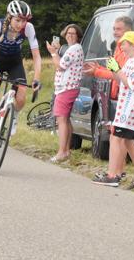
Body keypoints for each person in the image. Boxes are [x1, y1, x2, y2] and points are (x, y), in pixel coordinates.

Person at [83, 16, 134, 183]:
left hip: (130, 106)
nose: (115, 34)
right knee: (127, 140)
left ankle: (113, 175)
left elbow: (129, 82)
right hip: (125, 103)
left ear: (131, 39)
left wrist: (115, 69)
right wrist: (100, 70)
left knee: (116, 136)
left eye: (118, 30)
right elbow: (118, 76)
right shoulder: (128, 55)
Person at [0, 0, 42, 159]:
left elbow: (37, 56)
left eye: (24, 20)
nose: (21, 24)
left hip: (14, 63)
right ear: (9, 17)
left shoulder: (29, 29)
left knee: (21, 95)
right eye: (18, 20)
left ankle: (13, 116)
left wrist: (37, 77)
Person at [45, 24, 84, 163]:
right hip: (68, 87)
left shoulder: (73, 49)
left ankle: (62, 152)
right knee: (66, 119)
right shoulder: (73, 49)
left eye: (73, 33)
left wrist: (53, 53)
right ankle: (66, 150)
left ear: (78, 36)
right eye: (68, 33)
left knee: (61, 120)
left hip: (66, 88)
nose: (70, 35)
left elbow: (60, 66)